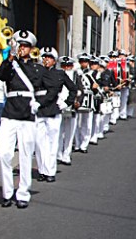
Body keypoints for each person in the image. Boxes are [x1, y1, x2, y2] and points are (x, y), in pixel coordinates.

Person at [0, 30, 44, 208]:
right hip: (9, 113)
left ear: (31, 48)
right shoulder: (10, 65)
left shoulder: (36, 68)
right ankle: (7, 192)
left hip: (27, 114)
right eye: (19, 45)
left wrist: (40, 103)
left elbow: (48, 87)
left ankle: (23, 193)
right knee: (2, 153)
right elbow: (1, 75)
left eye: (25, 46)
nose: (22, 48)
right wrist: (10, 57)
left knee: (25, 155)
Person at [34, 47, 76, 183]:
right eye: (45, 57)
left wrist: (65, 104)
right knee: (39, 143)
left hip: (53, 109)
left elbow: (73, 89)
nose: (47, 60)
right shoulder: (37, 72)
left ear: (54, 60)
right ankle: (41, 170)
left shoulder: (60, 74)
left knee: (52, 142)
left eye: (50, 58)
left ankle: (50, 171)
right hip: (38, 109)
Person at [57, 56, 81, 166]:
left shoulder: (76, 76)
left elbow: (81, 89)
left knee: (69, 132)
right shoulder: (57, 75)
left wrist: (78, 101)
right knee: (58, 132)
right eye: (64, 66)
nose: (66, 68)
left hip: (71, 107)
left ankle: (66, 154)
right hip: (59, 105)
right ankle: (58, 154)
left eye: (68, 66)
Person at [73, 54, 97, 153]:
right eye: (82, 61)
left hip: (89, 98)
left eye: (86, 61)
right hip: (79, 97)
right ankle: (77, 144)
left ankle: (84, 144)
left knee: (87, 123)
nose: (84, 63)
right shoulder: (76, 73)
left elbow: (96, 86)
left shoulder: (93, 73)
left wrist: (95, 87)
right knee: (76, 123)